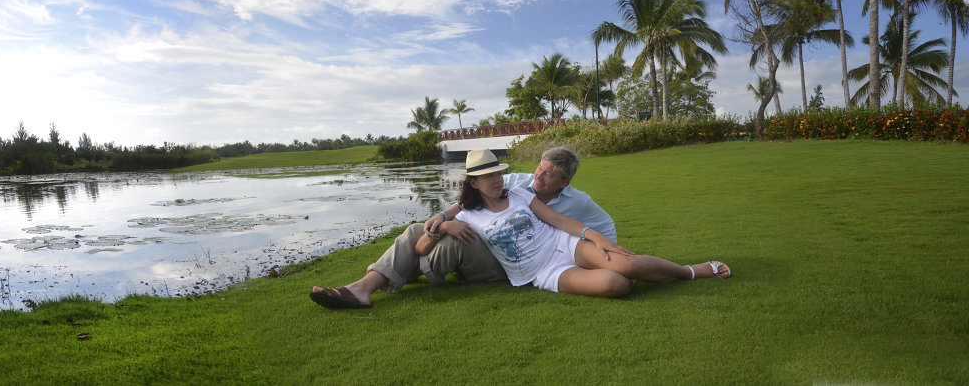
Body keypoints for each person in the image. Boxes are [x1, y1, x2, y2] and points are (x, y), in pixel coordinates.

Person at [309, 146, 621, 309]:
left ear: (565, 181)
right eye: (539, 169)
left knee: (450, 243)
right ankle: (365, 287)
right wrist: (444, 221)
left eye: (548, 175)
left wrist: (602, 248)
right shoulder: (517, 184)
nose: (538, 178)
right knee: (420, 231)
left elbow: (596, 224)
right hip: (491, 250)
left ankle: (380, 280)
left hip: (515, 262)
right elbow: (462, 206)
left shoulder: (576, 201)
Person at [421, 149, 729, 297]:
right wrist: (445, 224)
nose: (497, 179)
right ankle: (625, 269)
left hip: (563, 243)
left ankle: (690, 271)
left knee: (629, 266)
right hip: (541, 271)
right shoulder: (466, 213)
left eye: (499, 173)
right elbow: (423, 244)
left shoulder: (517, 192)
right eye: (489, 176)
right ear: (473, 183)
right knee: (617, 285)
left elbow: (558, 220)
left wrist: (596, 238)